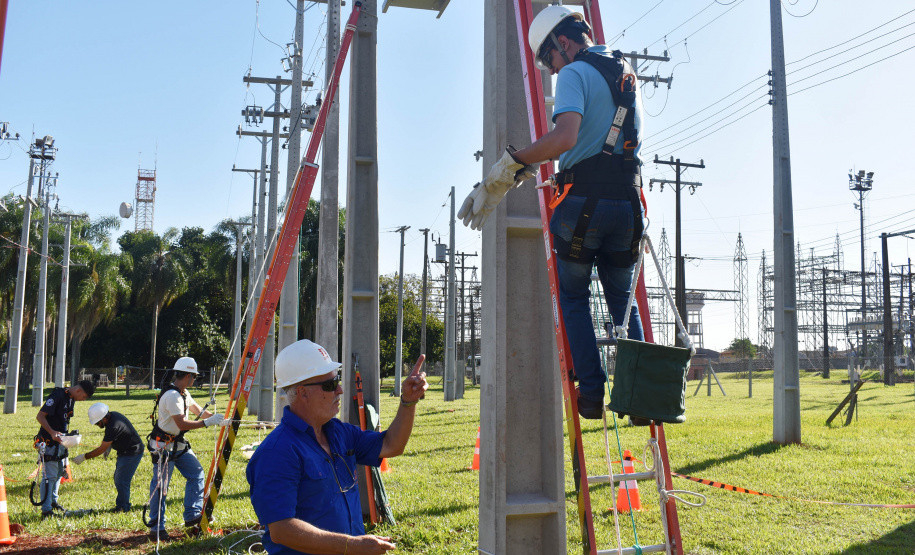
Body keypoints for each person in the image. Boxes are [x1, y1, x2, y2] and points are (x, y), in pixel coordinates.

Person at [457, 5, 645, 420]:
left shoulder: (576, 72)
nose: (553, 69)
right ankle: (640, 399)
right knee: (623, 301)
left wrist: (511, 164)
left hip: (584, 206)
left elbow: (565, 137)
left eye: (549, 60)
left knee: (574, 296)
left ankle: (592, 394)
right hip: (628, 206)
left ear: (562, 42)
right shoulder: (625, 72)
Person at [247, 340, 429, 555]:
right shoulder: (276, 452)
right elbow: (282, 530)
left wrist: (408, 402)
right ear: (303, 393)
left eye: (338, 380)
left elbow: (391, 445)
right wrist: (351, 545)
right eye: (330, 384)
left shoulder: (340, 432)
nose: (340, 390)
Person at [146, 357, 225, 542]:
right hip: (163, 447)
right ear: (188, 376)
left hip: (178, 445)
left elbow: (198, 410)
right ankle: (157, 528)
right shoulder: (172, 396)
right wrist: (207, 423)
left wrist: (220, 419)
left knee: (196, 473)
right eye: (194, 377)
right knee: (161, 487)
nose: (194, 380)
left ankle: (192, 514)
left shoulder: (183, 393)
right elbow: (182, 423)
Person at [34, 380, 95, 519]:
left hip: (61, 442)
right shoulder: (58, 395)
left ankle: (53, 502)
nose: (83, 400)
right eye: (84, 397)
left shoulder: (70, 399)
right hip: (49, 442)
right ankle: (46, 511)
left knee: (58, 474)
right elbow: (40, 416)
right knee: (49, 477)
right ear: (79, 391)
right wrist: (52, 432)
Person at [72, 402, 144, 512]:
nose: (97, 425)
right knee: (119, 478)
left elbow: (101, 449)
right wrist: (110, 445)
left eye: (97, 423)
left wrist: (84, 456)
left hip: (132, 452)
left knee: (121, 480)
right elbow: (117, 434)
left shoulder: (113, 426)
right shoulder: (113, 416)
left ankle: (123, 507)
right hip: (125, 451)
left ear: (103, 418)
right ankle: (122, 505)